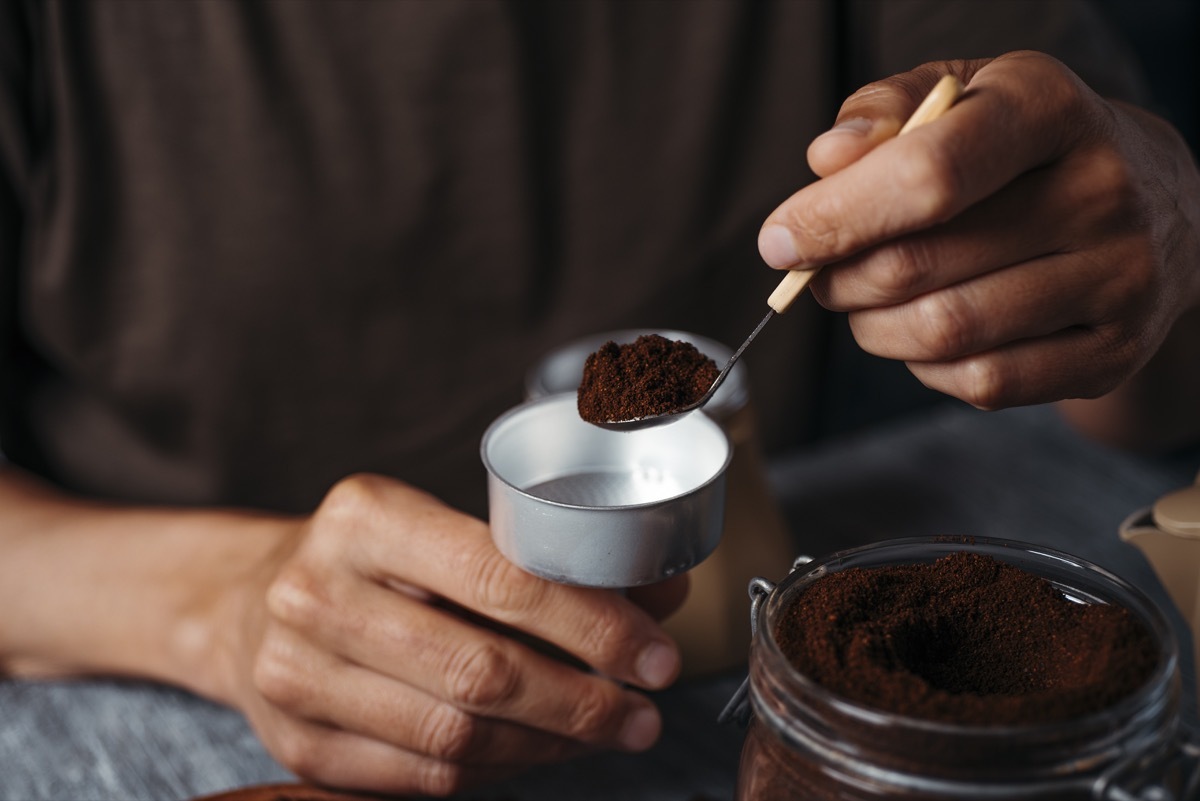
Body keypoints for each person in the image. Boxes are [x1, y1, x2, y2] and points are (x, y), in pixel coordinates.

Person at [0, 1, 1196, 798]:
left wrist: (1165, 238)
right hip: (150, 685)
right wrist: (221, 604)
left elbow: (1143, 409)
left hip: (745, 676)